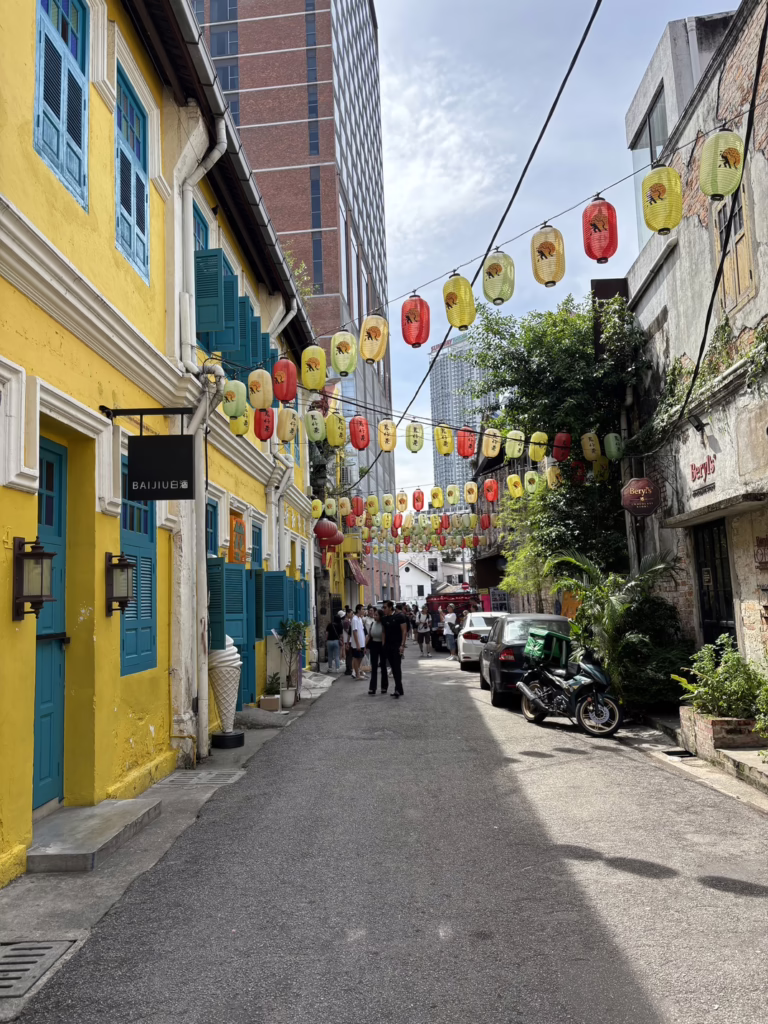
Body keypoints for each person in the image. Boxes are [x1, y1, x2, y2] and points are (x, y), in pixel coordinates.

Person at [381, 601, 407, 698]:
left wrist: (402, 645)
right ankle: (400, 689)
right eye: (383, 608)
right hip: (388, 646)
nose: (384, 609)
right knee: (393, 667)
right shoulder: (384, 619)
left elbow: (404, 631)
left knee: (396, 667)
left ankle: (397, 689)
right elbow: (383, 632)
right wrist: (383, 644)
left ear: (390, 607)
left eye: (385, 607)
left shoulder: (399, 617)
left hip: (397, 645)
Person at [367, 608, 387, 694]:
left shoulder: (384, 624)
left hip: (382, 645)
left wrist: (384, 646)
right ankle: (372, 687)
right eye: (374, 615)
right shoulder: (372, 623)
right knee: (374, 667)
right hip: (374, 645)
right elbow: (369, 635)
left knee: (383, 666)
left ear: (380, 616)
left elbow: (384, 636)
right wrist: (364, 646)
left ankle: (384, 687)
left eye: (376, 615)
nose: (374, 616)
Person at [350, 604, 366, 679]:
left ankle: (358, 672)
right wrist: (358, 644)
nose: (363, 611)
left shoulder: (360, 619)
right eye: (362, 609)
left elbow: (361, 631)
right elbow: (354, 632)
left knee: (360, 658)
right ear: (358, 610)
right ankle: (357, 675)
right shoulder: (355, 619)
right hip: (357, 644)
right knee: (356, 658)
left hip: (362, 643)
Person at [342, 610, 353, 675]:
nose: (352, 615)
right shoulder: (346, 622)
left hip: (348, 640)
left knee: (349, 655)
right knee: (349, 655)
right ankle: (348, 669)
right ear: (347, 613)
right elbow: (349, 631)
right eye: (351, 613)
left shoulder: (348, 621)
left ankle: (349, 669)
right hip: (348, 641)